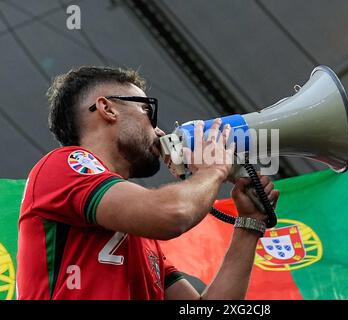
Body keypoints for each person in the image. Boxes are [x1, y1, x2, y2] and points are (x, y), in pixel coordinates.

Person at [16, 66, 279, 300]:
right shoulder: (63, 165)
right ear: (107, 109)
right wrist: (215, 169)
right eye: (146, 111)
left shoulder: (140, 237)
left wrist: (250, 223)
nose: (159, 131)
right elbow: (173, 213)